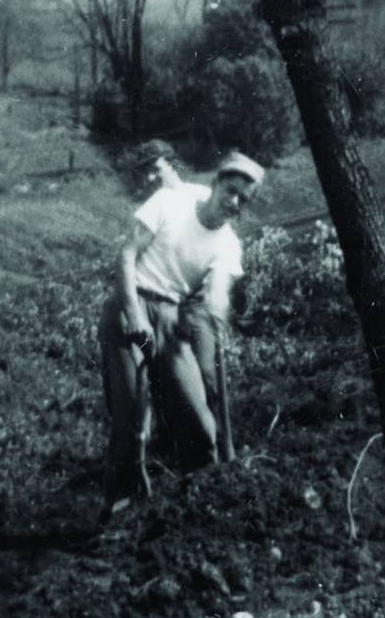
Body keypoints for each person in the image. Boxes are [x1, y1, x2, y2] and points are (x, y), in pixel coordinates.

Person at [99, 151, 263, 516]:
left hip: (170, 319)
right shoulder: (170, 203)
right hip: (132, 306)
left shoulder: (228, 245)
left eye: (243, 199)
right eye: (230, 190)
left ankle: (200, 507)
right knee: (131, 413)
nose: (233, 202)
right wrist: (134, 315)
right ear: (216, 183)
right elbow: (126, 257)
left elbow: (217, 292)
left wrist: (215, 310)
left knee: (199, 419)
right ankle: (118, 513)